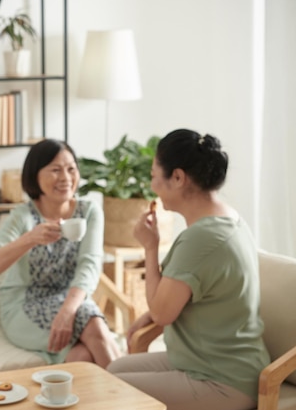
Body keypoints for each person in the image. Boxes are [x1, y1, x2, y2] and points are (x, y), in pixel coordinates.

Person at [107, 129, 270, 410]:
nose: (151, 184)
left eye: (154, 174)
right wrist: (150, 314)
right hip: (209, 362)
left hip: (222, 380)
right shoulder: (229, 218)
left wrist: (149, 247)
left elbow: (162, 312)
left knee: (111, 390)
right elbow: (182, 297)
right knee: (113, 370)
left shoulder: (201, 238)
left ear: (178, 178)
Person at [0, 139, 122, 368]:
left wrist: (67, 311)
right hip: (24, 306)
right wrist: (30, 239)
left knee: (83, 355)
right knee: (94, 327)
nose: (66, 178)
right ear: (35, 175)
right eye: (55, 170)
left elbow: (90, 265)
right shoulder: (22, 216)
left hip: (71, 301)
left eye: (71, 169)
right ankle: (135, 398)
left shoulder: (89, 211)